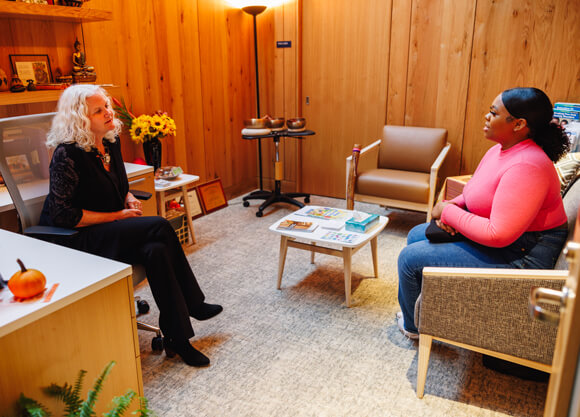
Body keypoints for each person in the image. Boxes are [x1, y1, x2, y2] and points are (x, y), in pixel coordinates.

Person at [39, 84, 222, 367]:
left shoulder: (110, 141)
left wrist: (128, 196)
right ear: (80, 118)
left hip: (109, 231)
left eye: (107, 107)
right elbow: (64, 215)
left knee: (157, 250)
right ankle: (194, 303)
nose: (108, 113)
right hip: (77, 238)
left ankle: (178, 339)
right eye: (98, 110)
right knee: (160, 226)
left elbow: (119, 186)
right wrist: (118, 216)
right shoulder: (67, 155)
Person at [397, 87, 570, 340]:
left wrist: (447, 212)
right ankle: (432, 309)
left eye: (493, 113)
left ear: (519, 124)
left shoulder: (527, 165)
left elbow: (498, 235)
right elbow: (472, 194)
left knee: (409, 259)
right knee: (416, 235)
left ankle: (415, 327)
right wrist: (450, 208)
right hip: (511, 242)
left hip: (521, 256)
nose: (486, 117)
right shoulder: (499, 150)